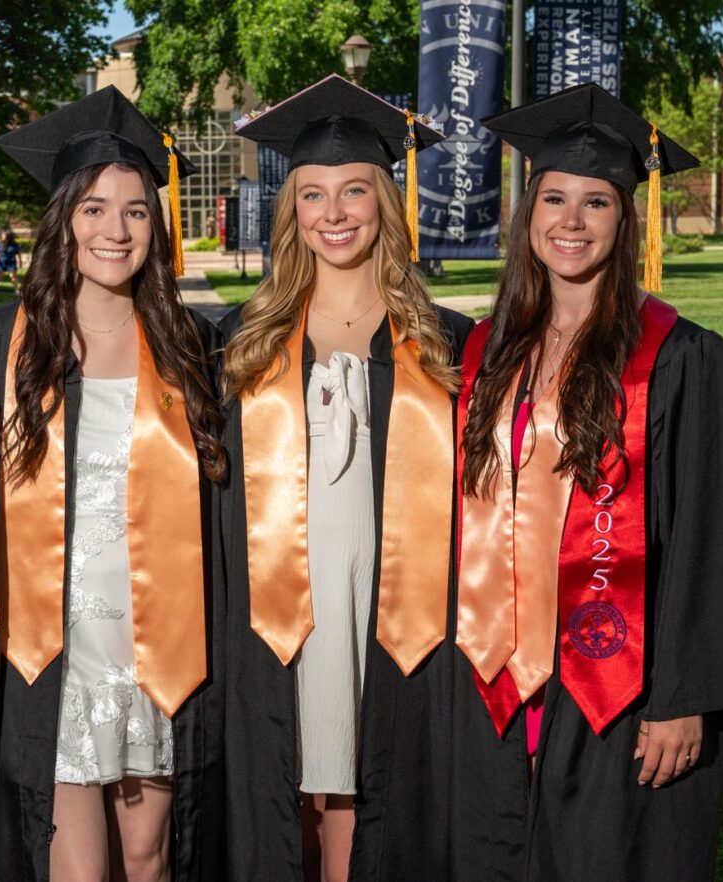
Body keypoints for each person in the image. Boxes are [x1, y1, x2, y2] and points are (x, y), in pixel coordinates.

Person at [449, 83, 723, 881]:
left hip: (615, 676)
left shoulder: (683, 361)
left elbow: (717, 538)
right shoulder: (487, 352)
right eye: (554, 198)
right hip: (494, 666)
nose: (571, 222)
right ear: (527, 213)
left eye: (597, 202)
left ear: (625, 219)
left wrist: (686, 697)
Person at [222, 74, 474, 882]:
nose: (334, 214)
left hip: (397, 597)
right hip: (278, 594)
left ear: (386, 204)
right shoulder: (242, 341)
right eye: (314, 194)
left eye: (355, 191)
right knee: (281, 780)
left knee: (365, 781)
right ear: (291, 209)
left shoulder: (446, 343)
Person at [0, 85, 226, 882]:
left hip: (158, 636)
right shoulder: (5, 344)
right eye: (92, 209)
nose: (114, 230)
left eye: (134, 211)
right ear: (63, 222)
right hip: (58, 645)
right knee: (75, 866)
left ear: (156, 227)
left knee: (151, 857)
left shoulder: (194, 347)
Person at [0, 228, 21, 293]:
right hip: (1, 262)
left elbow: (18, 253)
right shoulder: (0, 243)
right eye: (2, 235)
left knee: (12, 276)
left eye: (3, 235)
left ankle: (16, 289)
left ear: (8, 236)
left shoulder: (14, 244)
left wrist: (20, 262)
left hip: (11, 262)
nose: (2, 236)